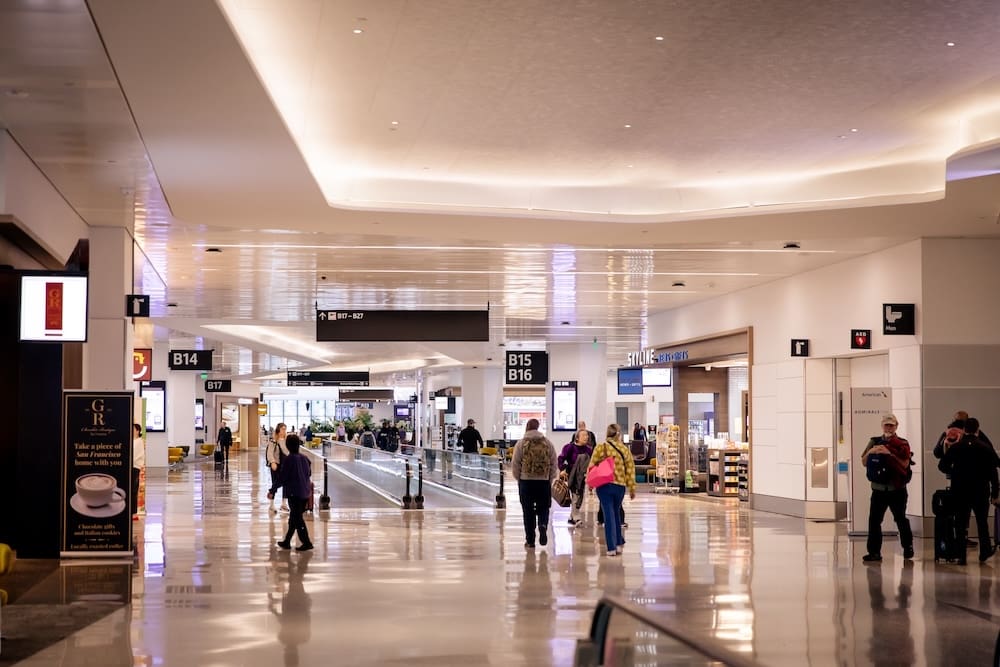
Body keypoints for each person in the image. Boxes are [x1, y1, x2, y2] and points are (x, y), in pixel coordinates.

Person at [938, 417, 1000, 564]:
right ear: (978, 430)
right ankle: (984, 552)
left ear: (964, 430)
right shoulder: (985, 448)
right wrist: (995, 492)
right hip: (980, 491)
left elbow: (942, 466)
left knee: (960, 523)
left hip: (960, 491)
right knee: (982, 522)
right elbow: (993, 471)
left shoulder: (957, 447)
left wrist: (954, 471)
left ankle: (961, 555)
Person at [860, 414, 914, 563]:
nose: (888, 428)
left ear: (897, 426)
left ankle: (908, 547)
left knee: (900, 519)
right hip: (878, 490)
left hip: (897, 489)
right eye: (886, 425)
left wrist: (889, 453)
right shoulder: (874, 441)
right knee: (874, 521)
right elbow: (864, 462)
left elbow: (904, 464)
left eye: (891, 425)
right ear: (882, 426)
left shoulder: (902, 443)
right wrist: (871, 452)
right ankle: (874, 552)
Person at [589, 424, 635, 557]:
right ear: (618, 435)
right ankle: (618, 544)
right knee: (615, 513)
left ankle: (611, 547)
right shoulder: (624, 449)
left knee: (608, 514)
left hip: (604, 486)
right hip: (619, 486)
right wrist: (631, 487)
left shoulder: (600, 447)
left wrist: (590, 484)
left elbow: (592, 466)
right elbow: (630, 469)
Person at [511, 418, 558, 548]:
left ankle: (530, 540)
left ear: (527, 427)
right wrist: (549, 478)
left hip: (526, 482)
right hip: (543, 482)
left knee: (528, 511)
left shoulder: (521, 443)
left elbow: (515, 463)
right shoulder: (547, 443)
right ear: (538, 427)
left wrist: (519, 478)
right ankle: (542, 524)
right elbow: (554, 462)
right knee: (543, 507)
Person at [268, 434, 314, 551]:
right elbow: (309, 474)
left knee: (297, 519)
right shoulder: (305, 458)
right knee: (294, 517)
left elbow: (282, 478)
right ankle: (287, 541)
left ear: (287, 446)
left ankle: (307, 542)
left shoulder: (289, 460)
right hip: (305, 492)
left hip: (294, 493)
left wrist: (272, 490)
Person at [558, 429, 593, 526]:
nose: (586, 437)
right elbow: (561, 458)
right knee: (576, 495)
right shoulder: (569, 447)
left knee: (578, 495)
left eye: (587, 435)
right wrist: (562, 469)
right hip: (571, 475)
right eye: (583, 435)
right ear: (577, 438)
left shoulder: (589, 450)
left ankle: (572, 516)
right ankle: (576, 517)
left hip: (582, 476)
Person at [266, 422, 288, 513]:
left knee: (286, 484)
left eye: (285, 429)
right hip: (276, 465)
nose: (284, 431)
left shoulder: (287, 441)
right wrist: (272, 462)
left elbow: (288, 452)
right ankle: (271, 504)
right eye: (283, 429)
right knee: (275, 483)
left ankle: (284, 503)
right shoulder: (273, 441)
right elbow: (270, 453)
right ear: (278, 430)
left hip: (285, 465)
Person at [132, 423, 145, 519]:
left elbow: (137, 456)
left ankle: (134, 513)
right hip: (130, 467)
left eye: (133, 429)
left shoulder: (139, 442)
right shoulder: (132, 441)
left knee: (133, 490)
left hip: (135, 467)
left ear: (137, 431)